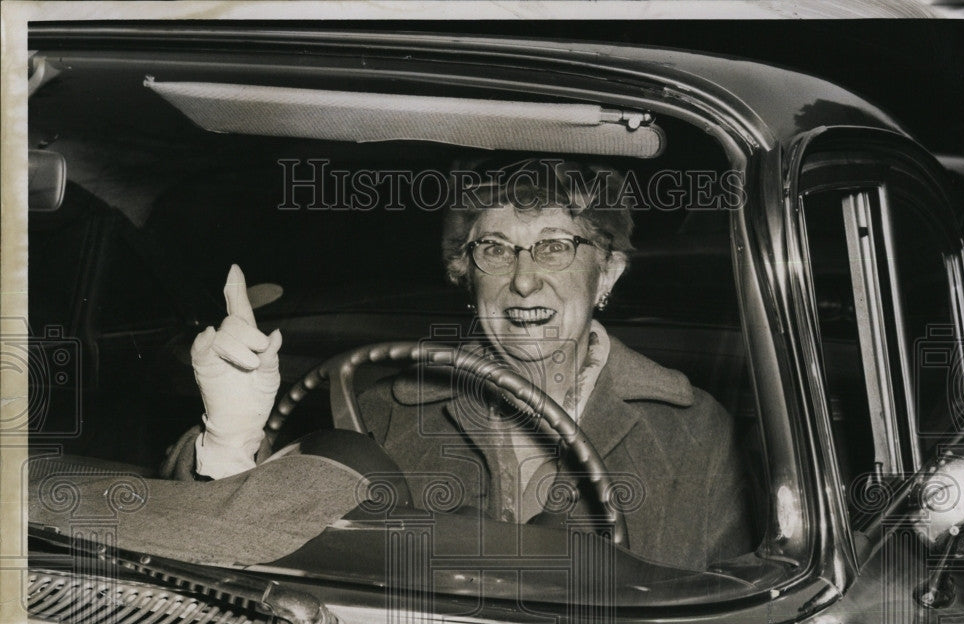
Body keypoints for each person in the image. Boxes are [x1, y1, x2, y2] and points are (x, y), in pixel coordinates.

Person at [163, 159, 751, 569]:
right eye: (494, 249)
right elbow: (251, 557)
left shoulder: (692, 431)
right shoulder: (382, 413)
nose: (524, 281)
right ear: (465, 276)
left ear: (609, 273)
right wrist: (233, 435)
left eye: (555, 246)